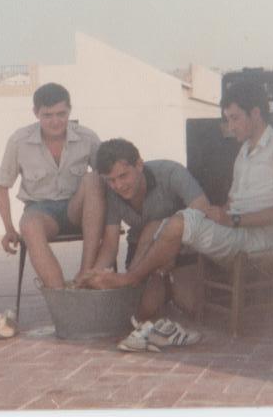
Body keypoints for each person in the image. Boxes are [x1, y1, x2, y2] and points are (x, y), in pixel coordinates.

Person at [84, 81, 273, 348]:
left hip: (257, 238)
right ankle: (136, 311)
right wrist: (221, 213)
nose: (231, 126)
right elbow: (234, 203)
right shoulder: (244, 153)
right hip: (235, 229)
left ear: (256, 113)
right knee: (156, 227)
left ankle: (129, 280)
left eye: (235, 118)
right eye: (228, 119)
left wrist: (233, 219)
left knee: (181, 223)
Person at [80, 137, 211, 350]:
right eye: (111, 180)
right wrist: (95, 275)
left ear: (139, 165)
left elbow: (202, 208)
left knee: (192, 305)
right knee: (144, 310)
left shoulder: (170, 172)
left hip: (181, 248)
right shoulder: (111, 192)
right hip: (141, 252)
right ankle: (158, 288)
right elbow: (111, 243)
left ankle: (165, 288)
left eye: (123, 176)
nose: (118, 185)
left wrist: (170, 248)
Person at [0, 82, 105, 288]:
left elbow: (108, 178)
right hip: (41, 212)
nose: (55, 121)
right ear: (36, 113)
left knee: (93, 179)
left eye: (61, 114)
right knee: (29, 225)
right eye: (47, 115)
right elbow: (1, 186)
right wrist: (9, 229)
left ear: (69, 110)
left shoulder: (87, 137)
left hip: (77, 209)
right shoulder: (19, 141)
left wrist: (113, 221)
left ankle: (85, 274)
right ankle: (60, 295)